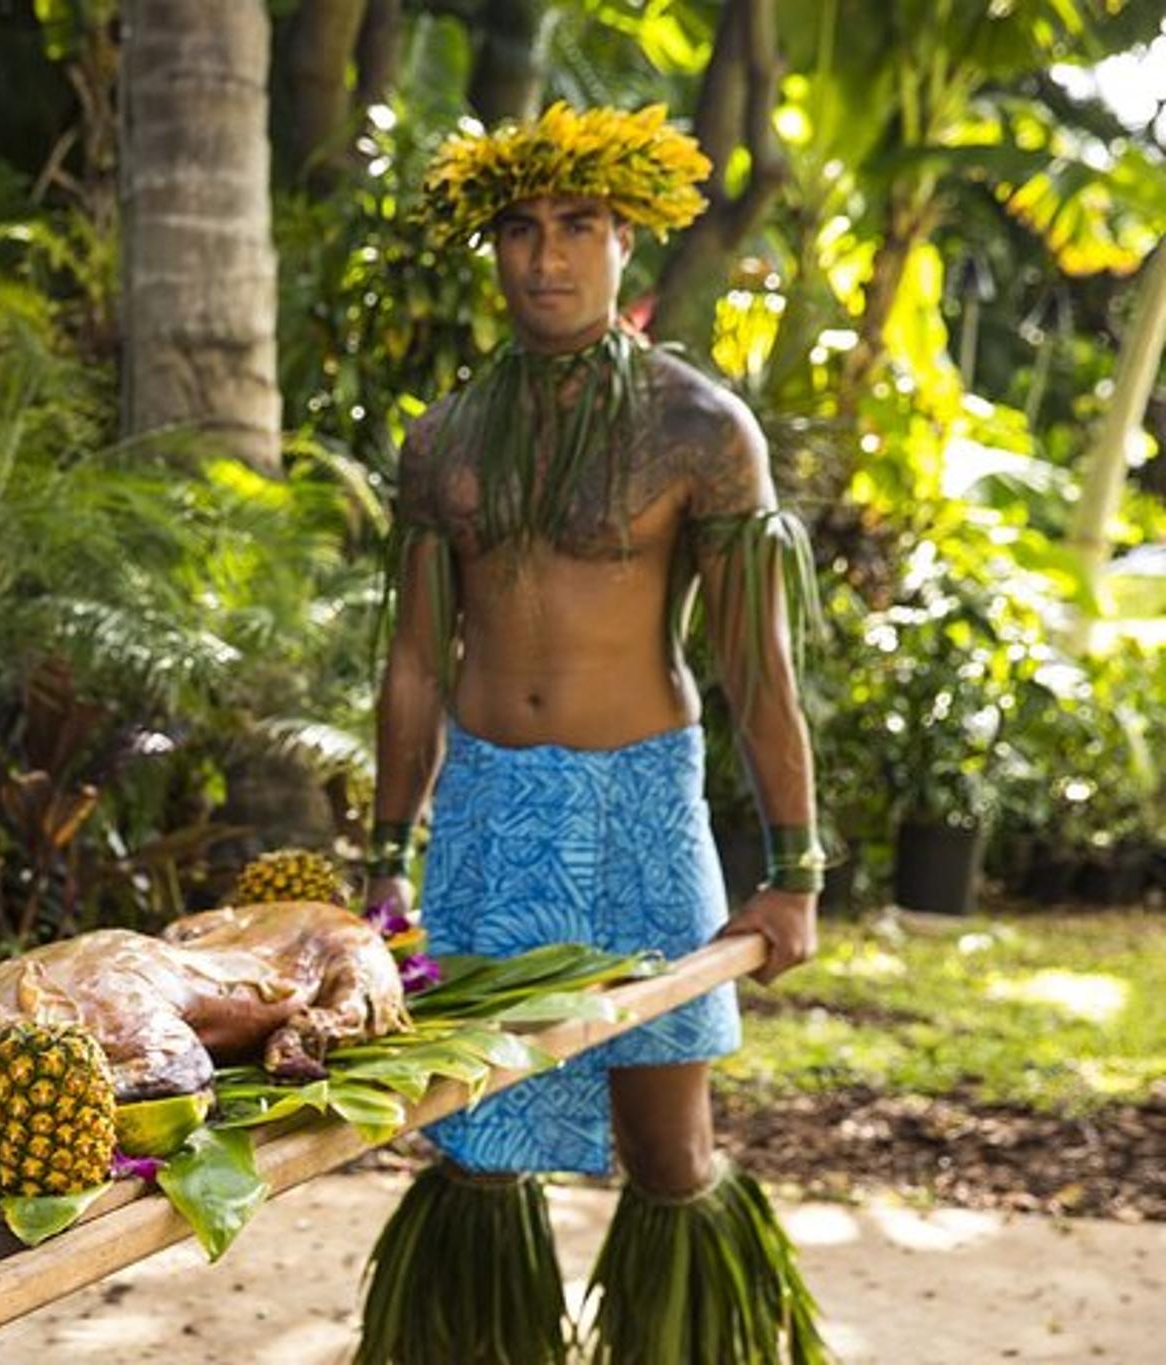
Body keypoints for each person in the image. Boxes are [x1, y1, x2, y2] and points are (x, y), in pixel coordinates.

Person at [355, 105, 829, 1363]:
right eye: (518, 228)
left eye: (576, 227)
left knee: (669, 1153)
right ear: (492, 249)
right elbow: (412, 663)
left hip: (638, 814)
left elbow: (752, 661)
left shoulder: (698, 430)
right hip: (486, 817)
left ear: (625, 241)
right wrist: (382, 852)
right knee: (476, 1141)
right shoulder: (443, 438)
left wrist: (794, 872)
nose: (544, 256)